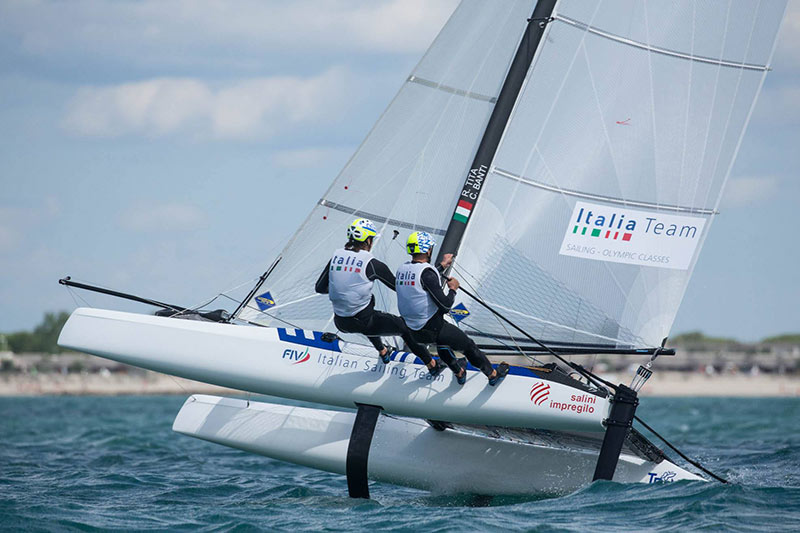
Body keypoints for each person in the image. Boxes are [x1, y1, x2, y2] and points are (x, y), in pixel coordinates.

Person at [315, 218, 445, 376]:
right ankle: (432, 364)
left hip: (340, 321)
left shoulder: (335, 258)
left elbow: (320, 288)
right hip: (363, 323)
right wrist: (437, 270)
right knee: (403, 327)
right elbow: (402, 287)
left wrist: (344, 291)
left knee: (370, 310)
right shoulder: (372, 264)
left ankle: (383, 351)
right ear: (368, 240)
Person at [395, 231, 509, 386]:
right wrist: (453, 289)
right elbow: (445, 306)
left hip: (414, 333)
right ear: (428, 250)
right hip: (432, 329)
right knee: (468, 346)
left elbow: (422, 279)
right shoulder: (427, 274)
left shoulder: (402, 269)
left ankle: (458, 371)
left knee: (444, 343)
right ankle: (493, 374)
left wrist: (442, 266)